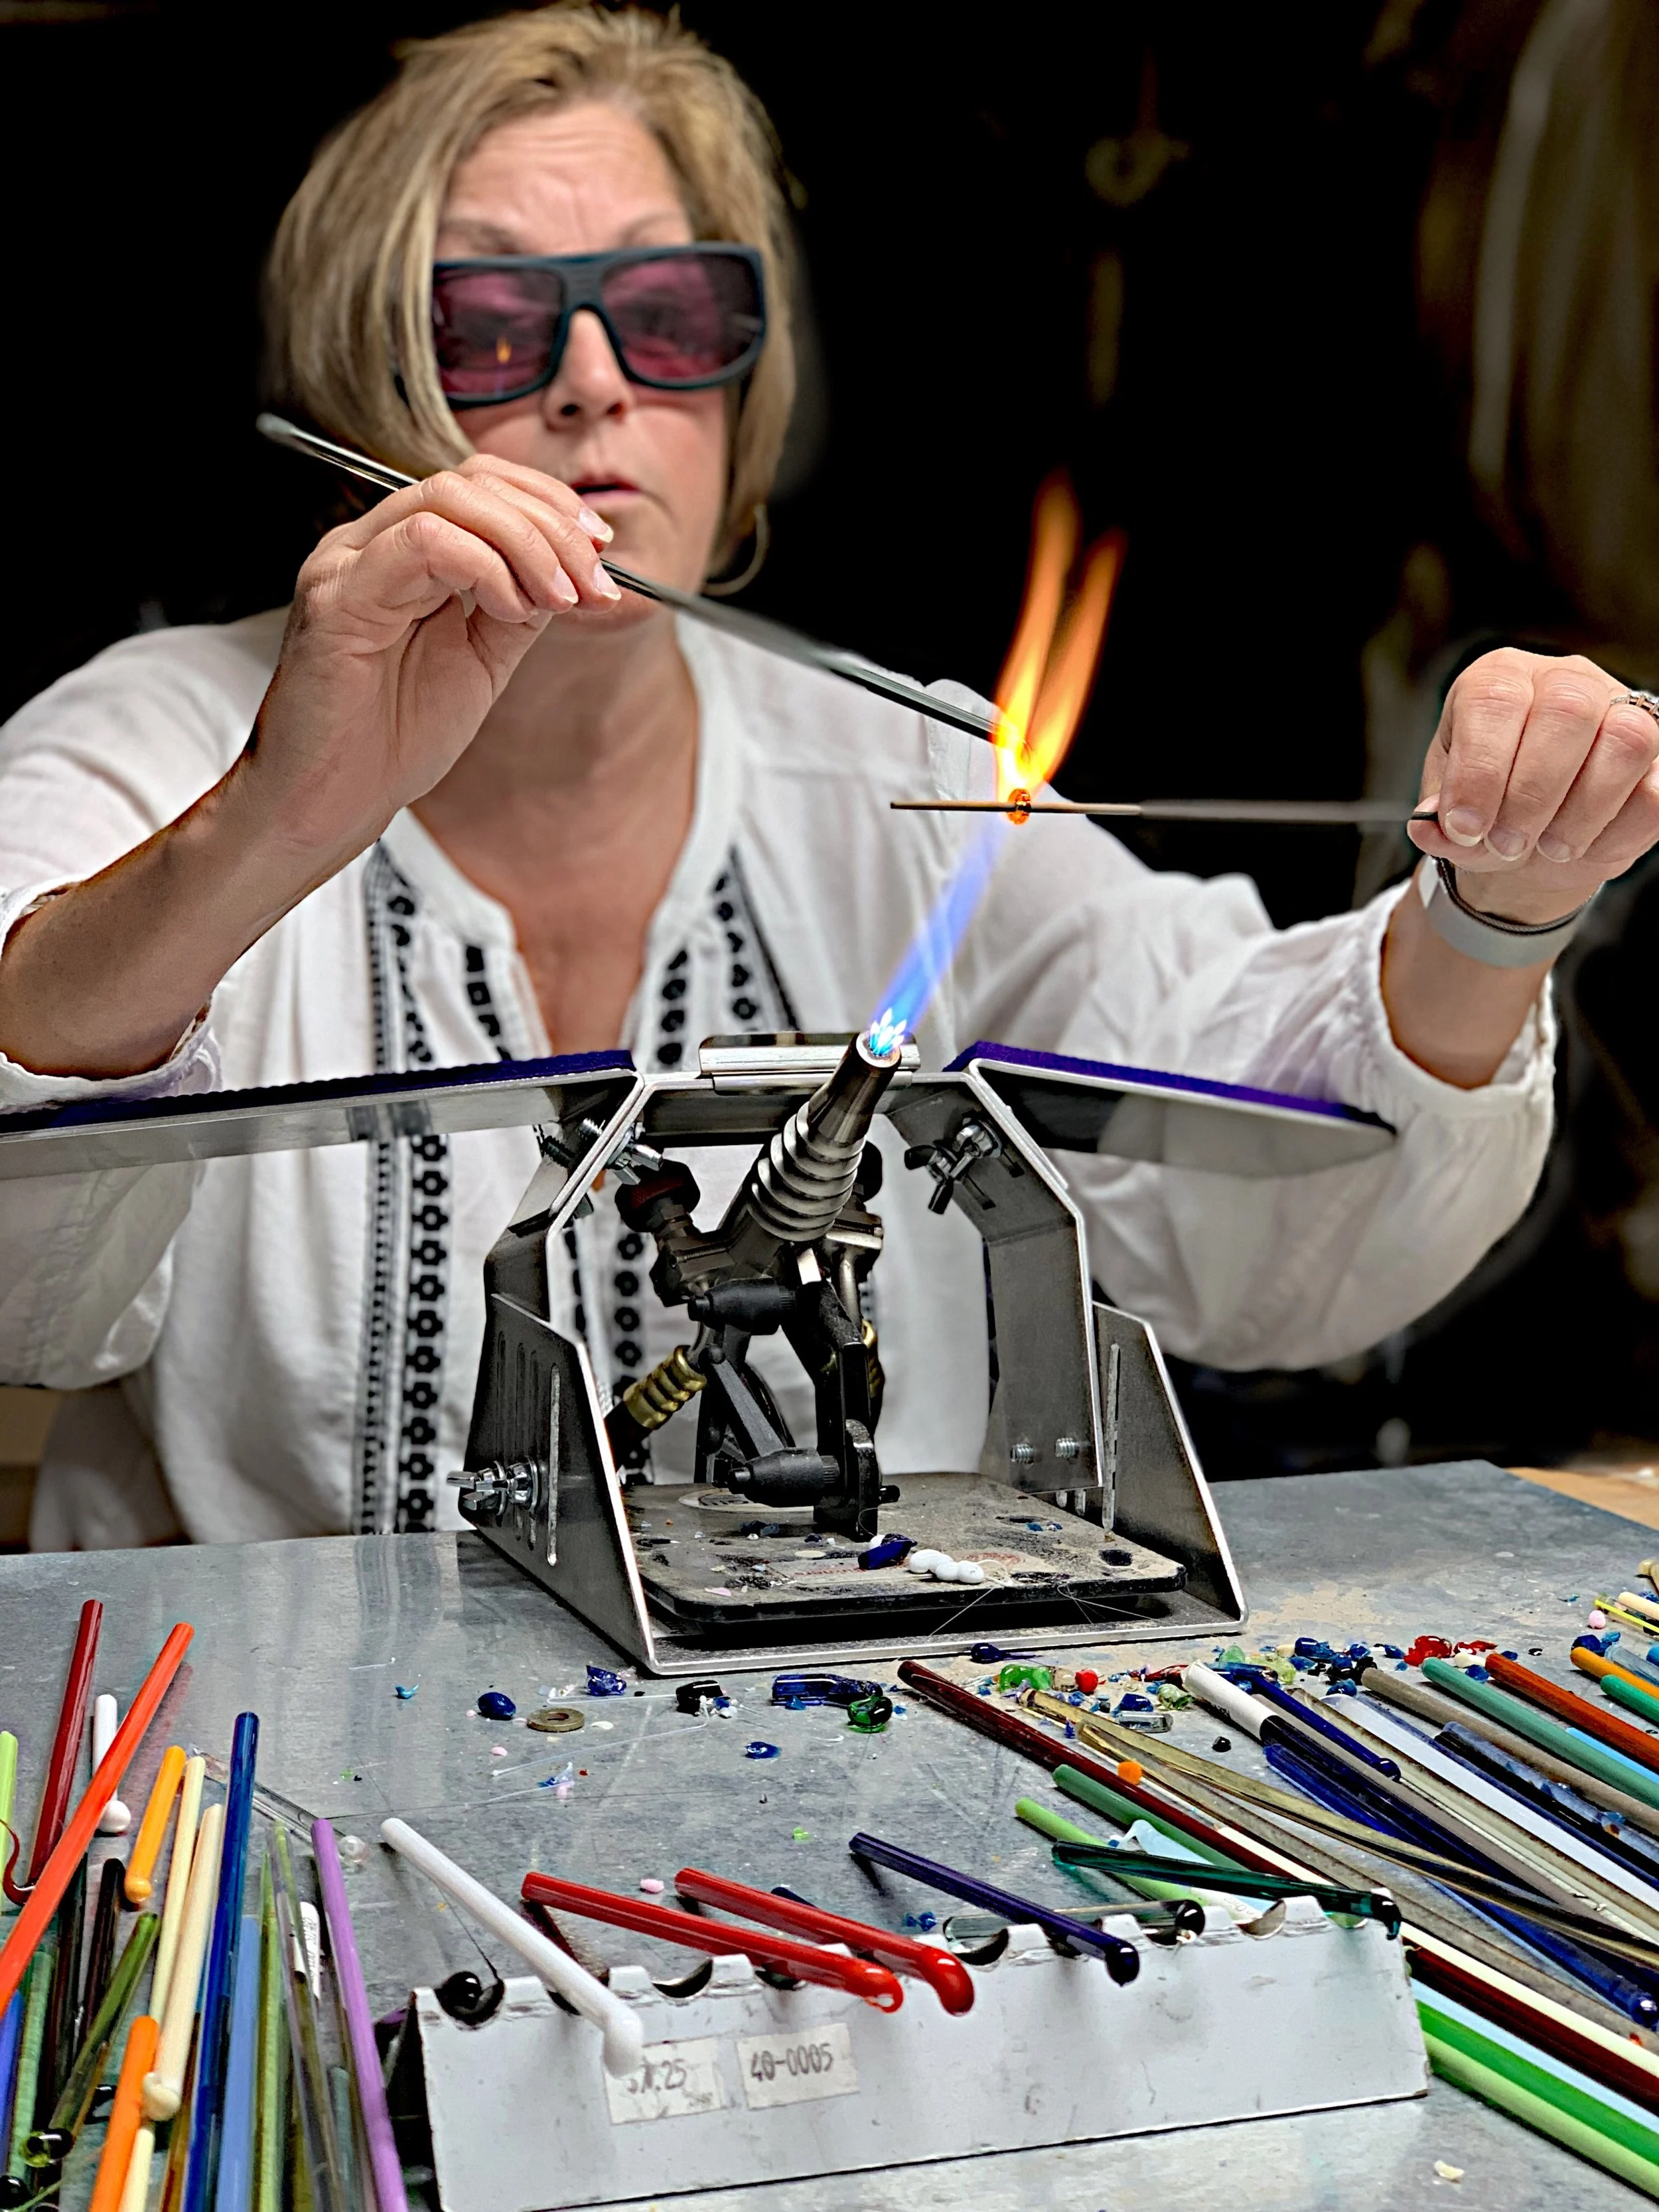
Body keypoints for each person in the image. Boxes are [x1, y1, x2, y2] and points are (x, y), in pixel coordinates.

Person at [1, 4, 1655, 1550]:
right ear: (362, 381)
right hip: (269, 1738)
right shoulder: (154, 739)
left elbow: (1256, 1196)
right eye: (490, 324)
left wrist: (1494, 913)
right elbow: (23, 1291)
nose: (595, 382)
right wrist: (272, 822)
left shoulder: (898, 775)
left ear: (742, 390)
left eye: (668, 315)